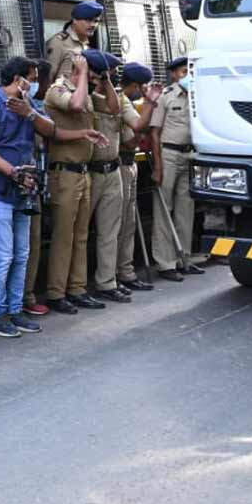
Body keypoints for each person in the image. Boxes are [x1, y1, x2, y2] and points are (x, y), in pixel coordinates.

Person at [0, 56, 96, 338]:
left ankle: (15, 310)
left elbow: (50, 130)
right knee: (3, 257)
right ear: (19, 79)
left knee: (22, 254)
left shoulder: (29, 106)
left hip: (24, 191)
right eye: (30, 77)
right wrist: (12, 172)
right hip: (0, 191)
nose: (34, 83)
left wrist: (28, 112)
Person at [43, 49, 115, 314]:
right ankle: (56, 292)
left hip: (83, 172)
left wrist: (103, 81)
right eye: (94, 77)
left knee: (81, 236)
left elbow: (114, 107)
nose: (95, 82)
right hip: (64, 173)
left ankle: (77, 288)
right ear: (80, 70)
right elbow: (74, 105)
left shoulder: (85, 91)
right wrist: (83, 73)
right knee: (63, 235)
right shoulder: (57, 90)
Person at [86, 59, 160, 303]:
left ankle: (113, 278)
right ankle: (76, 287)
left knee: (117, 228)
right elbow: (131, 137)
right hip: (91, 171)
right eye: (106, 75)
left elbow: (132, 132)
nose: (111, 80)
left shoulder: (119, 101)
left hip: (116, 168)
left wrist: (148, 108)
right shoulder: (83, 99)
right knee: (81, 234)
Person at [150, 56, 204, 281]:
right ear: (173, 74)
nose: (187, 75)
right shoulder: (165, 96)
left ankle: (185, 258)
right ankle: (165, 263)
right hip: (169, 154)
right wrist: (158, 166)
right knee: (164, 209)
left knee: (186, 209)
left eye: (189, 71)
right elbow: (154, 132)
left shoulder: (199, 95)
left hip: (190, 154)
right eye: (183, 72)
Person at [116, 63, 160, 293]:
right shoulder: (120, 101)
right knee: (118, 224)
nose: (143, 92)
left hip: (130, 163)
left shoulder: (130, 103)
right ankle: (117, 274)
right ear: (134, 85)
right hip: (120, 165)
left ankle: (125, 270)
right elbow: (133, 136)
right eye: (142, 87)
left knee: (129, 223)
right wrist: (150, 105)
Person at [22, 59, 55, 317]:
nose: (40, 84)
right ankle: (20, 297)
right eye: (36, 79)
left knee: (32, 244)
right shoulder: (21, 106)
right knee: (21, 247)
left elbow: (49, 131)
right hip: (20, 184)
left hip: (37, 185)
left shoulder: (37, 108)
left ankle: (27, 294)